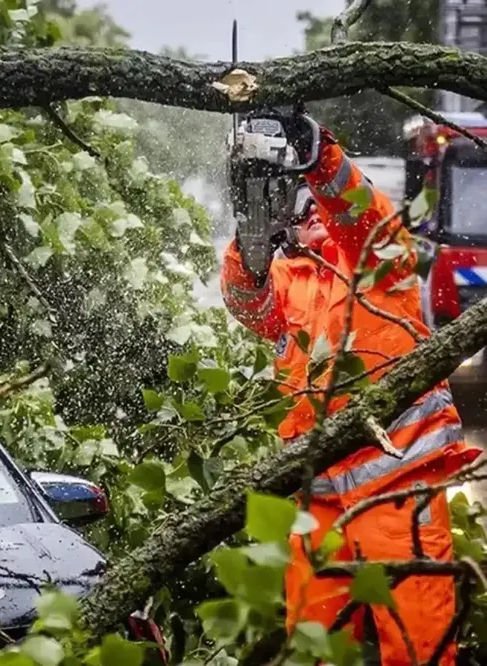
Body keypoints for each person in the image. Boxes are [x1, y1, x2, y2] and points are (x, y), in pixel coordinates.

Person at [220, 113, 482, 665]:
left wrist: (319, 157)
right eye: (303, 208)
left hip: (400, 494)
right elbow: (248, 303)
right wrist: (249, 238)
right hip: (319, 505)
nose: (314, 213)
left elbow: (361, 214)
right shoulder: (289, 282)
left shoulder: (382, 260)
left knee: (419, 653)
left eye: (320, 207)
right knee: (310, 650)